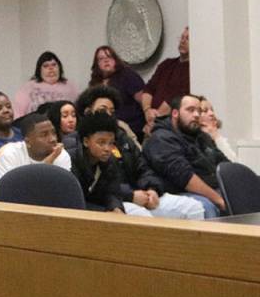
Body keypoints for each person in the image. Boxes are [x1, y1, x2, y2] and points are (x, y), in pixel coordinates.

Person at [73, 90, 203, 219]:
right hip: (116, 200)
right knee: (143, 218)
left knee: (194, 208)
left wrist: (152, 189)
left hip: (142, 194)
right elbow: (103, 189)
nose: (108, 115)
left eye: (112, 112)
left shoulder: (123, 136)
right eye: (103, 110)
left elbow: (143, 167)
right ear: (87, 112)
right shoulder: (77, 143)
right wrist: (130, 196)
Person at [143, 94, 228, 218]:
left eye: (199, 111)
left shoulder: (201, 137)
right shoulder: (162, 138)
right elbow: (185, 177)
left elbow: (224, 163)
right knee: (207, 206)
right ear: (175, 113)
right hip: (180, 192)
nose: (196, 115)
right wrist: (219, 199)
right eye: (190, 110)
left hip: (213, 188)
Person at [66, 112, 125, 213]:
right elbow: (71, 200)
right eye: (101, 142)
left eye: (111, 143)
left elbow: (113, 192)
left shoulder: (111, 161)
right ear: (86, 142)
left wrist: (116, 208)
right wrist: (103, 212)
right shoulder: (69, 160)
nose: (107, 149)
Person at [0, 113, 71, 182]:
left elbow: (61, 191)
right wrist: (46, 165)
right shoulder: (9, 155)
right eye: (44, 135)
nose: (53, 139)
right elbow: (6, 191)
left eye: (54, 133)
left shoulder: (61, 155)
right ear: (28, 142)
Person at [89, 45, 146, 138]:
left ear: (115, 60)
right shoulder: (94, 83)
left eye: (109, 57)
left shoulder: (127, 75)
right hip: (105, 128)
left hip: (131, 127)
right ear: (97, 64)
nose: (106, 60)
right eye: (101, 58)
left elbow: (143, 100)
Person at [141, 27, 190, 133]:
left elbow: (176, 98)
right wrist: (147, 110)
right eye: (182, 37)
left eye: (187, 38)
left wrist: (156, 119)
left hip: (171, 125)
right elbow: (149, 88)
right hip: (151, 121)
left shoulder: (192, 69)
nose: (183, 41)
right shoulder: (167, 64)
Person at [13, 51, 80, 117]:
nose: (51, 68)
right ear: (39, 70)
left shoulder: (70, 87)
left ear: (59, 67)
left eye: (54, 65)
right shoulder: (28, 88)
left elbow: (79, 109)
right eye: (46, 66)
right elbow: (18, 113)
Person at [200, 96, 236, 161]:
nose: (212, 113)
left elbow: (234, 164)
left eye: (212, 110)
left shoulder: (217, 137)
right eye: (205, 111)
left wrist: (216, 136)